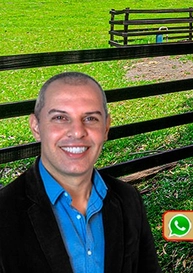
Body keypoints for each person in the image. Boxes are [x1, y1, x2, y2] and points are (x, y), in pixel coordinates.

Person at [0, 72, 161, 273]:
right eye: (60, 117)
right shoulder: (4, 213)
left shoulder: (129, 200)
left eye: (90, 118)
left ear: (106, 128)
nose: (77, 132)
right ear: (36, 127)